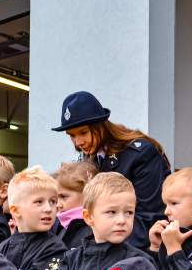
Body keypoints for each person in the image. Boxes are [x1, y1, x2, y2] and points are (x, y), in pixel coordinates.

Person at [52, 91, 170, 250]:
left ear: (100, 125)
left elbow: (149, 219)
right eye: (71, 135)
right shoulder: (91, 159)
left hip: (134, 256)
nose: (78, 142)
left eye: (83, 132)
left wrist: (99, 247)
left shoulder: (141, 155)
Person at [53, 161, 97, 249]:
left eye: (63, 197)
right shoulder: (60, 227)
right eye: (55, 199)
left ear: (86, 195)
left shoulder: (94, 233)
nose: (58, 205)